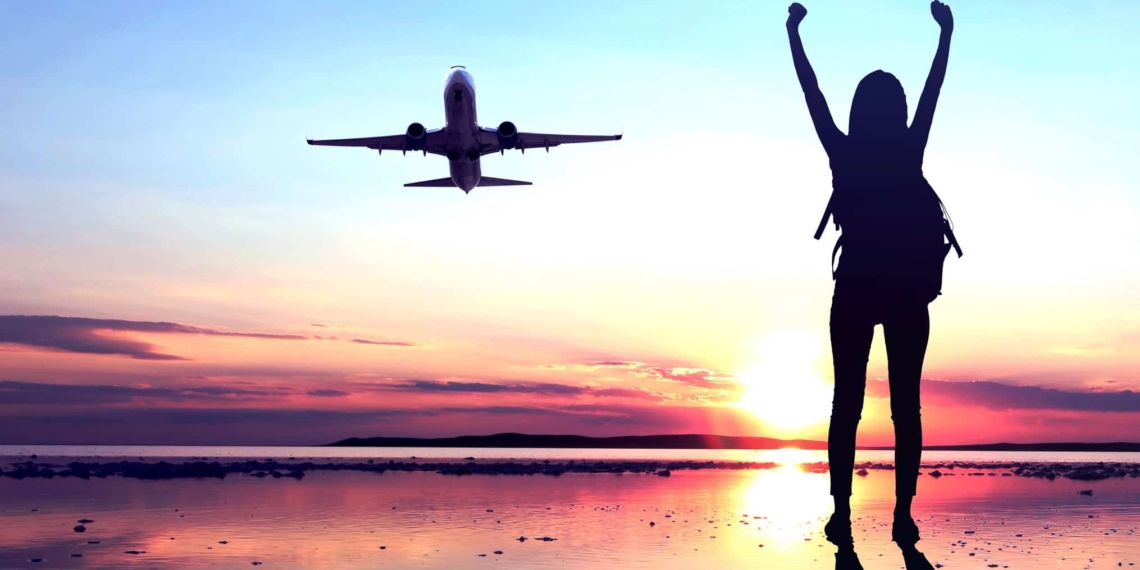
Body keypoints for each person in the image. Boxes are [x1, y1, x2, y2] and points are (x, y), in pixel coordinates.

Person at [785, 0, 959, 555]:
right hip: (907, 292)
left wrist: (793, 33)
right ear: (899, 110)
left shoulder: (844, 152)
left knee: (846, 406)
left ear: (859, 110)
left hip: (856, 289)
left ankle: (841, 515)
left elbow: (810, 91)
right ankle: (903, 518)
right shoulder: (910, 149)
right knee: (906, 408)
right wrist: (945, 34)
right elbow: (935, 86)